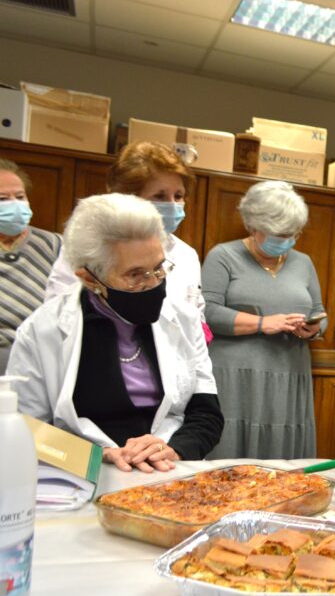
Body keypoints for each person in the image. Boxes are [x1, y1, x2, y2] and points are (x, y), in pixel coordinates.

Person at [7, 193, 222, 472]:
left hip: (167, 469)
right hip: (83, 473)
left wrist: (175, 449)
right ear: (89, 278)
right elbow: (27, 429)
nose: (153, 284)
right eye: (135, 275)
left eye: (159, 269)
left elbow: (206, 414)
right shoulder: (43, 331)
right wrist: (96, 456)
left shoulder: (183, 318)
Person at [201, 180, 325, 459]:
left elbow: (319, 310)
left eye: (292, 234)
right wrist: (262, 323)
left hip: (289, 372)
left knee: (283, 460)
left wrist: (314, 328)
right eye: (277, 234)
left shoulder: (303, 262)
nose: (285, 240)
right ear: (253, 225)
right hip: (236, 375)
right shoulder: (223, 255)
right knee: (230, 453)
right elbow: (206, 310)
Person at [46, 142, 206, 322]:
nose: (173, 205)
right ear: (127, 197)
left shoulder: (186, 255)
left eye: (178, 196)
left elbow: (196, 317)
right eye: (159, 196)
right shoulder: (87, 249)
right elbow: (59, 315)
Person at [0, 159, 62, 373]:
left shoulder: (54, 244)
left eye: (20, 197)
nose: (14, 205)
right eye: (3, 199)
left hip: (45, 354)